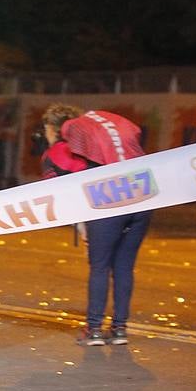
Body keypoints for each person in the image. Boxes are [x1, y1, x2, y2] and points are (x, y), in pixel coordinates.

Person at [50, 107, 152, 347]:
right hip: (142, 192)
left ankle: (94, 329)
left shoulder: (75, 127)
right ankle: (119, 329)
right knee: (124, 266)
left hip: (109, 195)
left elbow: (71, 166)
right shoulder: (118, 120)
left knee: (100, 266)